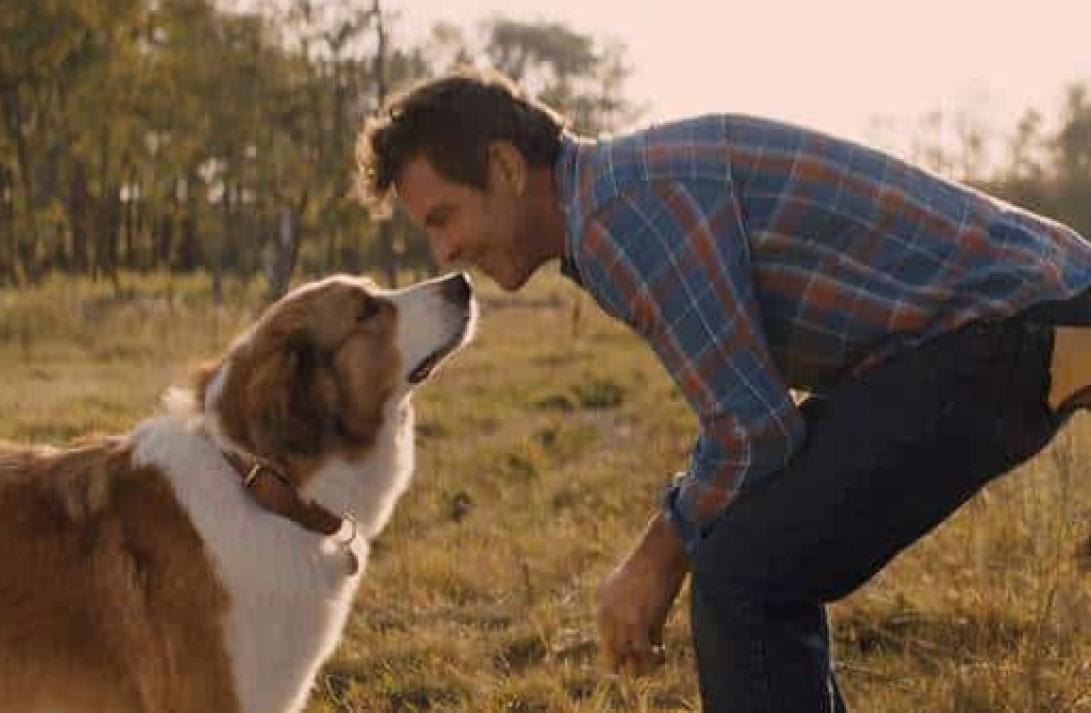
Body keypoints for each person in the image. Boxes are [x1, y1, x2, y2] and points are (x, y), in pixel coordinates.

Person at [352, 68, 1091, 711]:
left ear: (508, 168)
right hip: (1007, 324)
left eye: (443, 217)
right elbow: (753, 421)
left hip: (1014, 329)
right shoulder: (617, 202)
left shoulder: (623, 214)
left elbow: (753, 428)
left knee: (745, 577)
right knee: (748, 561)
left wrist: (654, 557)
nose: (443, 251)